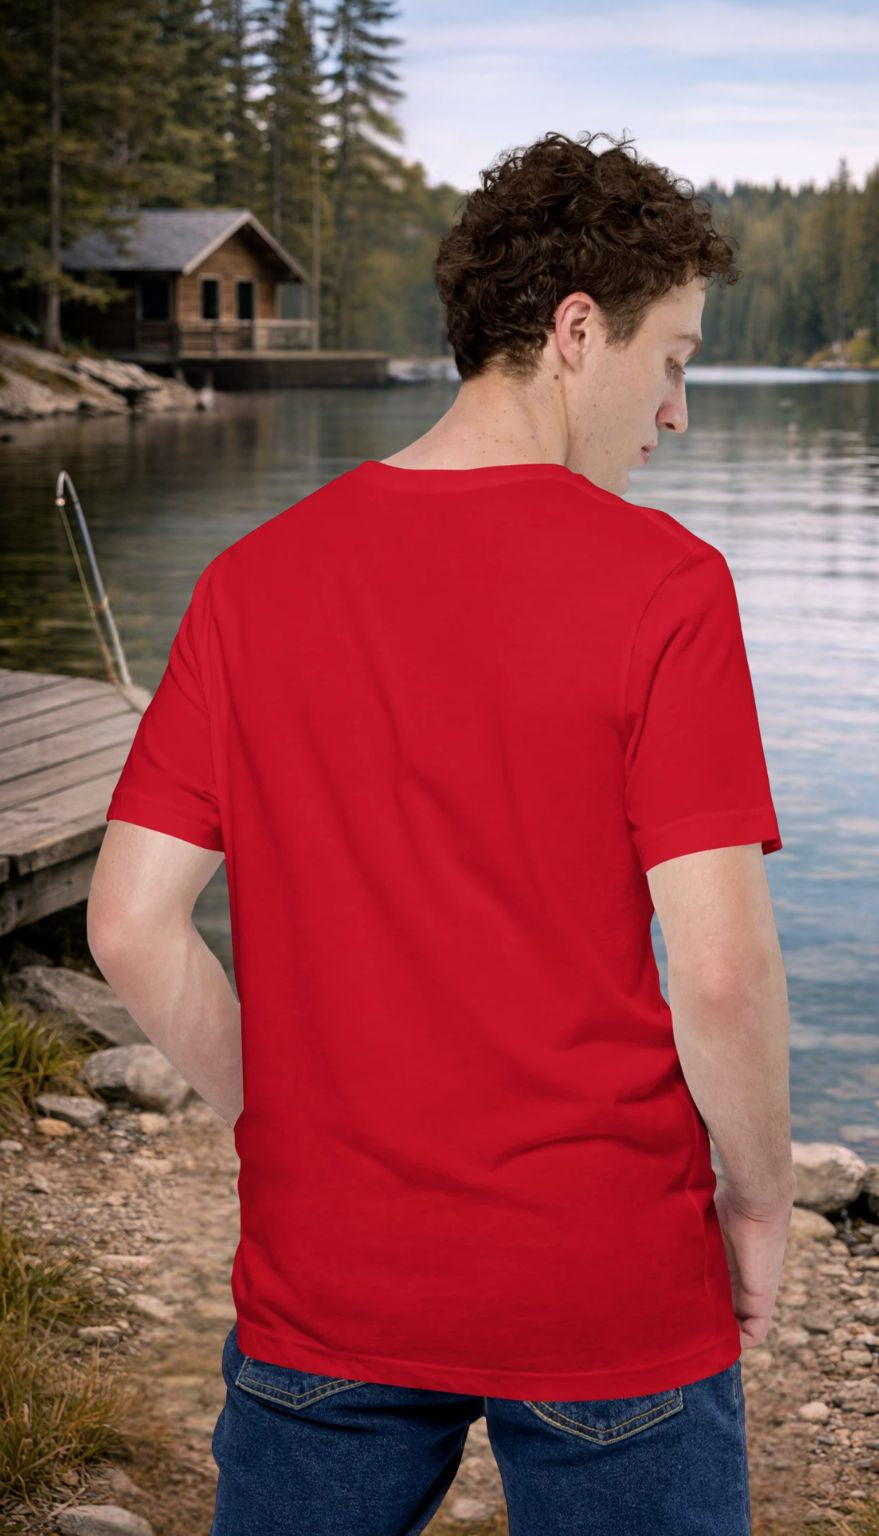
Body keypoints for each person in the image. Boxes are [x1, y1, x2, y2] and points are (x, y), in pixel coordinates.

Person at [87, 128, 795, 1536]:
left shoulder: (250, 582)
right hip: (603, 1277)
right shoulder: (666, 587)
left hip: (327, 1277)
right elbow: (718, 973)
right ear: (577, 333)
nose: (677, 412)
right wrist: (761, 1208)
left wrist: (270, 1122)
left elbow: (127, 923)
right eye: (674, 359)